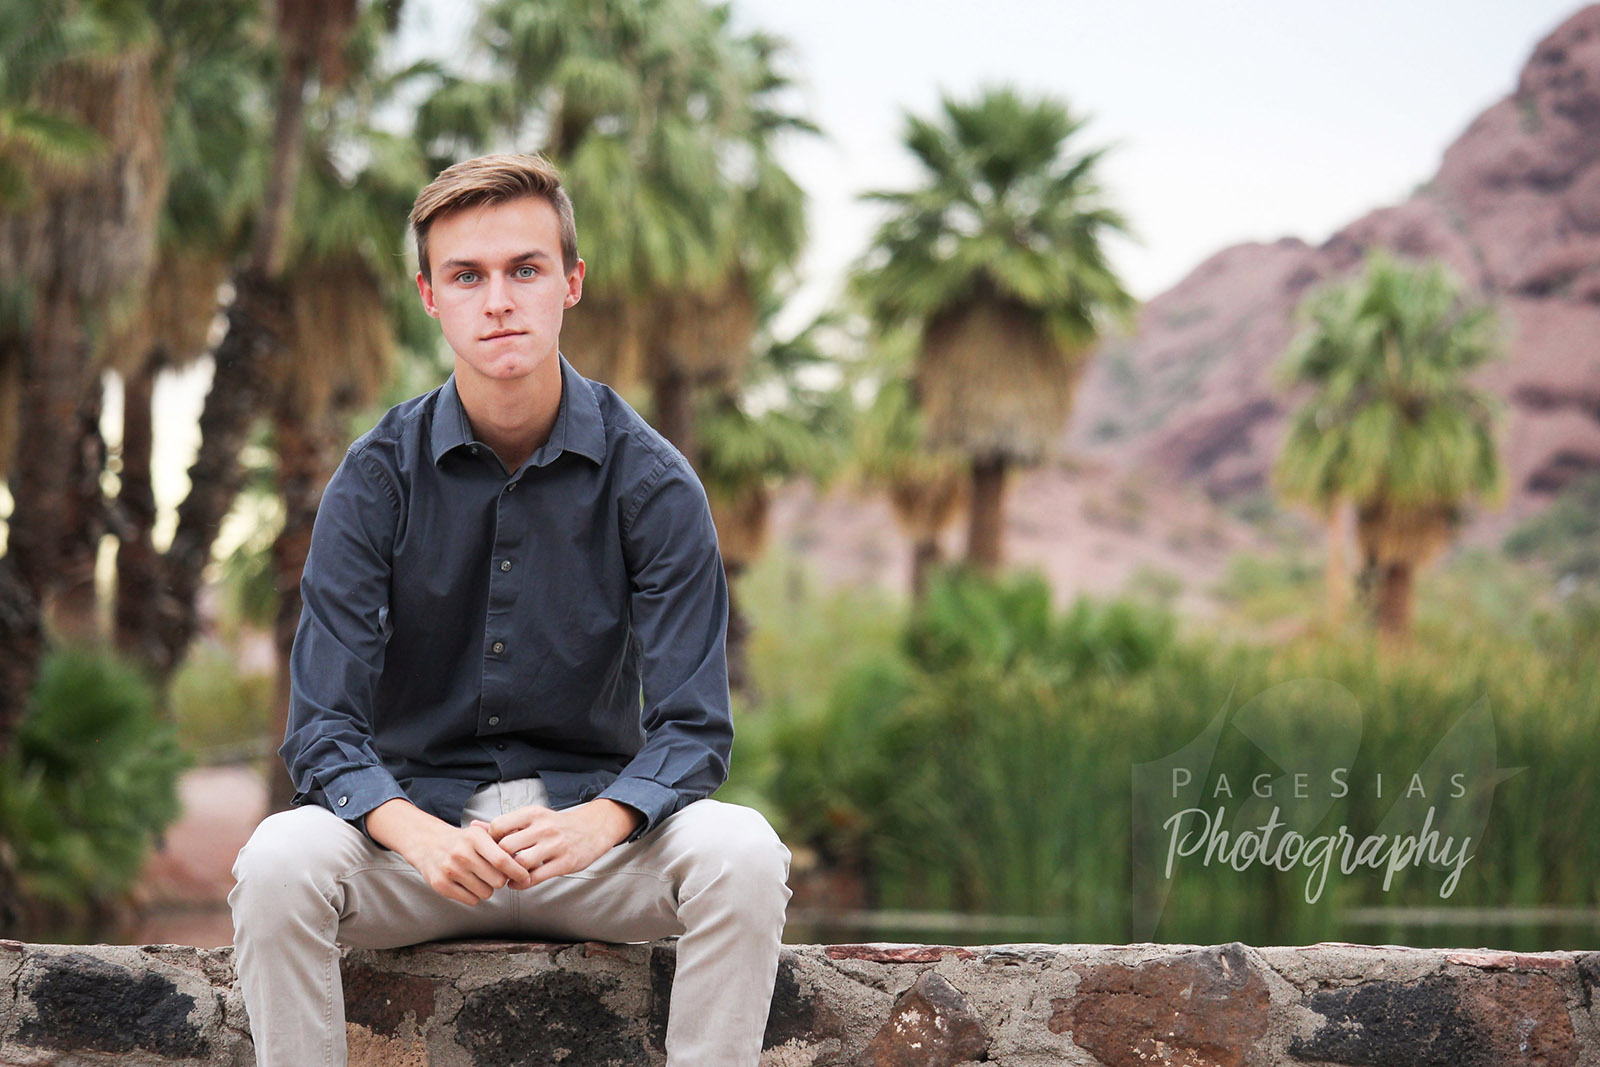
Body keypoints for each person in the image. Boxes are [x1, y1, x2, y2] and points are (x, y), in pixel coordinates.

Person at [229, 153, 791, 1067]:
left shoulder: (652, 482)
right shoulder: (375, 479)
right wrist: (414, 830)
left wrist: (601, 819)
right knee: (277, 862)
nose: (498, 301)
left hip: (593, 852)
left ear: (571, 282)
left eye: (525, 269)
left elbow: (694, 728)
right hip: (417, 856)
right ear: (430, 296)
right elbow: (322, 725)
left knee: (746, 851)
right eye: (467, 276)